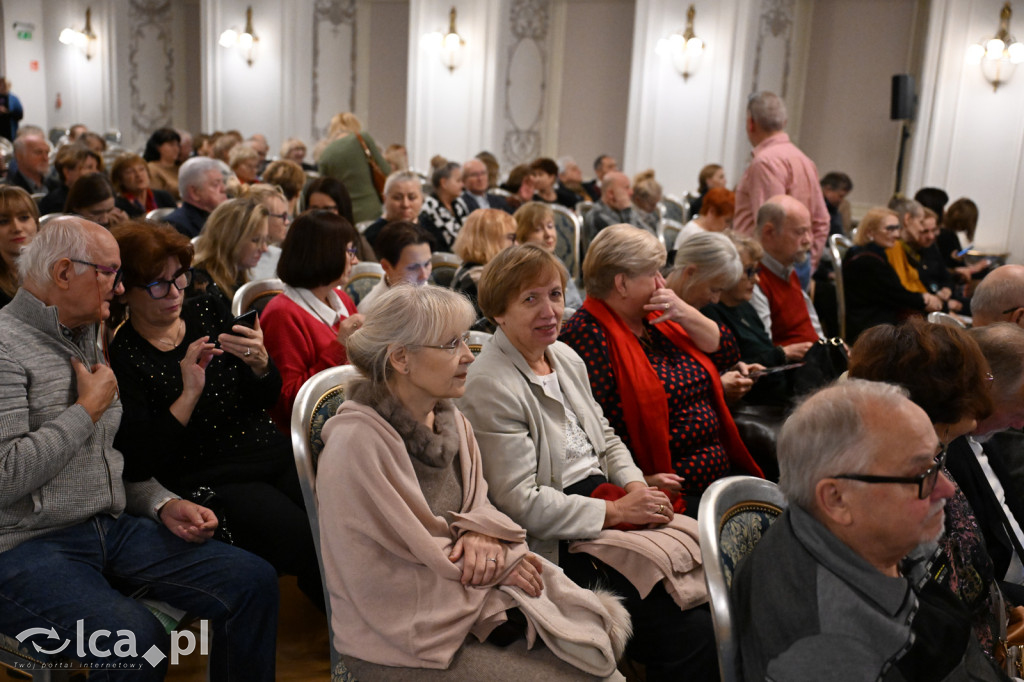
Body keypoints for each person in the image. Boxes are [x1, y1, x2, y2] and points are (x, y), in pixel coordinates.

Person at [0, 216, 278, 680]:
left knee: (251, 580)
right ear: (64, 272)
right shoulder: (6, 348)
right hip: (23, 546)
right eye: (108, 271)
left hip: (109, 527)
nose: (118, 284)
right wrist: (85, 410)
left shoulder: (87, 332)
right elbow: (5, 477)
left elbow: (107, 459)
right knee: (133, 637)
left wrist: (161, 502)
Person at [320, 284, 628, 680]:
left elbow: (479, 507)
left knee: (599, 668)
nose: (468, 355)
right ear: (401, 358)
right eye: (451, 344)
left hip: (470, 607)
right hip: (404, 637)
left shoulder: (451, 420)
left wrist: (482, 533)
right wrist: (495, 568)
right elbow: (378, 581)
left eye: (465, 339)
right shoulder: (356, 443)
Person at [461, 245, 719, 681]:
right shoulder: (490, 383)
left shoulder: (564, 357)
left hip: (605, 502)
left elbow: (607, 439)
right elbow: (519, 503)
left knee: (719, 584)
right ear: (498, 313)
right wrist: (617, 511)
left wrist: (636, 487)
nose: (550, 311)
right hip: (557, 541)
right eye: (530, 299)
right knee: (691, 629)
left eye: (556, 295)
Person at [108, 221, 323, 608]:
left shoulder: (207, 308)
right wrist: (189, 392)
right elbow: (142, 459)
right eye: (158, 284)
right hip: (214, 475)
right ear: (125, 293)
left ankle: (353, 618)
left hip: (270, 452)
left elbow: (266, 396)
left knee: (342, 517)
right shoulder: (126, 353)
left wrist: (260, 364)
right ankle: (352, 631)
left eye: (179, 278)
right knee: (304, 537)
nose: (174, 293)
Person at [732, 379, 1006, 682]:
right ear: (837, 499)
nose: (947, 489)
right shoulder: (830, 652)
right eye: (921, 475)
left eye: (936, 461)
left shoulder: (855, 537)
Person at [560, 224, 762, 507]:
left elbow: (727, 352)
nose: (662, 283)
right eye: (653, 274)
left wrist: (684, 312)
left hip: (717, 474)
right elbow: (585, 433)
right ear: (622, 284)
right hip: (671, 491)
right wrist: (634, 479)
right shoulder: (587, 335)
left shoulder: (656, 316)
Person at [847, 319, 1007, 657]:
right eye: (978, 379)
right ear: (940, 396)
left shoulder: (933, 457)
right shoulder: (890, 489)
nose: (985, 388)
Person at [260, 211, 361, 430]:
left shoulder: (340, 297)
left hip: (349, 417)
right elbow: (289, 404)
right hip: (314, 433)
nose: (356, 260)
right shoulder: (282, 315)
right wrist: (340, 347)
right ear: (325, 254)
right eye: (349, 251)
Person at [701, 234, 811, 406]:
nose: (757, 279)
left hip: (780, 397)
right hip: (755, 405)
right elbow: (735, 370)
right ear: (725, 271)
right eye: (749, 271)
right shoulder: (709, 314)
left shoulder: (744, 306)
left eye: (757, 271)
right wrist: (783, 354)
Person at [732, 91, 830, 279]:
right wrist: (809, 264)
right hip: (796, 264)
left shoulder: (765, 162)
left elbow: (768, 229)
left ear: (750, 123)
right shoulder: (805, 160)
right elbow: (822, 220)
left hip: (766, 271)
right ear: (784, 123)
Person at [667, 231, 760, 404]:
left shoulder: (692, 307)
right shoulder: (653, 312)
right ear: (690, 273)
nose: (715, 300)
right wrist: (717, 386)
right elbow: (667, 388)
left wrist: (727, 371)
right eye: (714, 289)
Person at [843, 207, 942, 341]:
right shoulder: (868, 261)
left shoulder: (867, 253)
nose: (896, 234)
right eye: (890, 229)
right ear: (870, 232)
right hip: (870, 330)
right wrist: (924, 300)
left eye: (897, 228)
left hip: (875, 323)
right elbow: (896, 294)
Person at [750, 195, 824, 346]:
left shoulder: (787, 267)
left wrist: (828, 347)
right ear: (769, 232)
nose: (808, 240)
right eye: (800, 232)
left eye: (809, 231)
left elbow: (812, 324)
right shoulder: (753, 278)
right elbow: (764, 349)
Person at [187, 198, 269, 309]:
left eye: (265, 240)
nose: (264, 249)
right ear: (230, 239)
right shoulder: (200, 286)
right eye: (255, 240)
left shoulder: (238, 278)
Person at [317, 112, 391, 223]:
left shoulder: (325, 154)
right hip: (371, 210)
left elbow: (323, 190)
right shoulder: (362, 138)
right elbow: (386, 171)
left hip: (344, 214)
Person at [452, 208, 516, 331]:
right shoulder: (479, 278)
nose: (515, 244)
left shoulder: (469, 269)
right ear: (490, 240)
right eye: (511, 238)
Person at [513, 201, 582, 309]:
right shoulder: (521, 268)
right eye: (538, 229)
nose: (548, 234)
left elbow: (576, 303)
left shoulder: (555, 261)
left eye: (550, 226)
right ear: (522, 236)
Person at [357, 221, 432, 312]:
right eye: (413, 267)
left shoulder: (427, 291)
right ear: (386, 267)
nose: (424, 276)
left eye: (427, 264)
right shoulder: (372, 311)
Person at [165, 156, 229, 238]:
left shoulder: (226, 217)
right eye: (215, 184)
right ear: (194, 192)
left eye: (222, 182)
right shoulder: (177, 226)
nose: (224, 189)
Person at [582, 172, 642, 253]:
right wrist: (627, 211)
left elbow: (653, 238)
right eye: (626, 188)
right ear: (611, 194)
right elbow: (629, 245)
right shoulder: (597, 216)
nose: (631, 192)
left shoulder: (620, 210)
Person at [363, 170, 424, 249]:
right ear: (385, 199)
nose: (405, 204)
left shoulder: (429, 228)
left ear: (422, 199)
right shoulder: (373, 236)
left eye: (411, 197)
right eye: (397, 198)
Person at [0, 186, 38, 308]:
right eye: (3, 221)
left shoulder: (57, 268)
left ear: (36, 222)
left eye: (24, 218)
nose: (17, 228)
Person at [244, 184, 291, 280]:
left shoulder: (280, 257)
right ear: (260, 216)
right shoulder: (241, 257)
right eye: (283, 216)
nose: (287, 222)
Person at [38, 144, 102, 216]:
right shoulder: (55, 204)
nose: (97, 173)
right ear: (67, 172)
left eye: (96, 168)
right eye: (89, 167)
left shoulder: (99, 196)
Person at [421, 162, 470, 251]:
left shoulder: (459, 203)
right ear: (443, 183)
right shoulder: (429, 208)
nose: (462, 185)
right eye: (458, 181)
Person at [110, 153, 177, 218]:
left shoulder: (164, 197)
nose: (138, 175)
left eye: (141, 169)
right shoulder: (118, 206)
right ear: (119, 179)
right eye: (130, 172)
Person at [65, 173, 129, 230]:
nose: (105, 220)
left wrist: (124, 229)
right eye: (96, 213)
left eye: (109, 210)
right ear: (76, 208)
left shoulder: (116, 224)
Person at [143, 127, 183, 201]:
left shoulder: (181, 167)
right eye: (171, 145)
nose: (176, 148)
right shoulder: (152, 168)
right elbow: (156, 197)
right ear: (158, 147)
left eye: (177, 145)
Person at [631, 169, 663, 235]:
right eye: (651, 204)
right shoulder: (631, 217)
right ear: (638, 200)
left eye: (656, 204)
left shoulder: (652, 215)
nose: (654, 208)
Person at [0, 77, 23, 142]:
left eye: (3, 85)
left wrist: (6, 112)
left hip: (10, 132)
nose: (1, 87)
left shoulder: (14, 99)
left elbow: (20, 115)